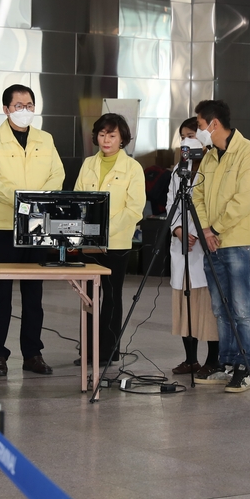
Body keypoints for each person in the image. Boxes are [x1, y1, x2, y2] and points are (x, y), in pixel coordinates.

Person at [0, 84, 64, 378]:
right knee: (0, 295)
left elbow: (57, 174)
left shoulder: (45, 139)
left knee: (34, 294)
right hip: (3, 226)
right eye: (18, 105)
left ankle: (32, 353)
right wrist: (22, 198)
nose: (25, 110)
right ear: (6, 109)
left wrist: (38, 201)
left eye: (29, 105)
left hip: (37, 226)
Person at [191, 100, 250, 393]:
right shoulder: (210, 158)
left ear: (214, 124)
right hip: (213, 243)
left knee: (241, 308)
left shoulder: (249, 153)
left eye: (199, 125)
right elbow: (197, 195)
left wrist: (217, 228)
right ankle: (226, 363)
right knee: (220, 308)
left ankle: (244, 368)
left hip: (239, 242)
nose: (198, 131)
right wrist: (206, 230)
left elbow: (245, 199)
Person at [74, 113, 146, 365]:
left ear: (122, 138)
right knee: (88, 298)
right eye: (102, 134)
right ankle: (89, 351)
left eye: (112, 135)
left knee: (112, 297)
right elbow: (77, 200)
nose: (106, 139)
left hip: (116, 243)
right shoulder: (88, 164)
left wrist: (105, 231)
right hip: (88, 243)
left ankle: (108, 351)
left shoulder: (132, 168)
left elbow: (135, 208)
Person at [167, 118, 218, 375]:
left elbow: (214, 207)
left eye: (193, 135)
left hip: (207, 245)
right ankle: (190, 359)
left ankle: (213, 360)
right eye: (184, 136)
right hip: (183, 248)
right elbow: (171, 205)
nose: (188, 141)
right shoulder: (179, 169)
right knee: (185, 304)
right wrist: (177, 230)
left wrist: (200, 230)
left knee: (209, 307)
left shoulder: (214, 167)